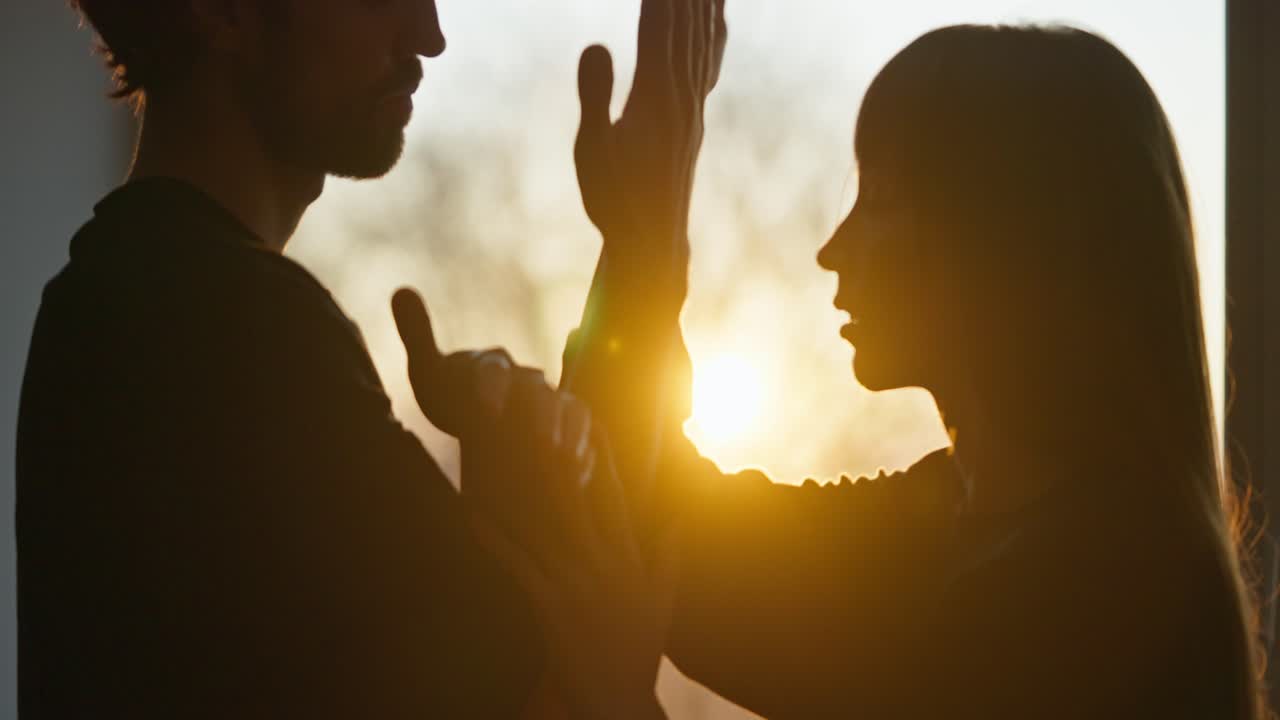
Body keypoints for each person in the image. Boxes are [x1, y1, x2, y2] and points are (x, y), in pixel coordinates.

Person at [468, 22, 1269, 719]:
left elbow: (658, 551)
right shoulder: (938, 522)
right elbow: (664, 535)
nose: (833, 248)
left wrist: (621, 705)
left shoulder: (1103, 591)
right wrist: (641, 249)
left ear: (1006, 240)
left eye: (880, 198)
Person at [14, 0, 704, 716]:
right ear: (224, 15)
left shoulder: (115, 303)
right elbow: (564, 689)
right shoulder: (238, 323)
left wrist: (506, 484)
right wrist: (647, 250)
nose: (428, 36)